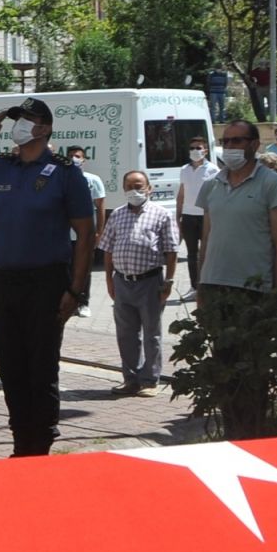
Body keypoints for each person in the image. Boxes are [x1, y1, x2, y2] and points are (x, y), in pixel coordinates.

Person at [0, 97, 94, 457]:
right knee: (11, 365)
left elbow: (86, 235)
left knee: (41, 366)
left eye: (26, 119)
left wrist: (76, 290)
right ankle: (20, 438)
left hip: (47, 282)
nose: (18, 125)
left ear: (44, 129)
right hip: (6, 282)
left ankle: (40, 441)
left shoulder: (65, 173)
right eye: (17, 119)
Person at [100, 170, 179, 397]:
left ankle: (150, 380)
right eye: (130, 186)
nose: (135, 190)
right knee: (126, 333)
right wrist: (108, 279)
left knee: (151, 333)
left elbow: (171, 251)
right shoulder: (116, 215)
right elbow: (108, 248)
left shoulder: (162, 214)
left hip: (150, 281)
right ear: (124, 189)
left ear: (149, 188)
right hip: (123, 281)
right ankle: (130, 379)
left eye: (139, 186)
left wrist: (169, 282)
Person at [197, 120, 277, 300]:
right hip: (214, 284)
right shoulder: (211, 185)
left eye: (236, 141)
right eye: (225, 141)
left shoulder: (273, 184)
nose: (229, 146)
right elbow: (207, 239)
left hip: (254, 287)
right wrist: (200, 286)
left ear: (255, 144)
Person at [65, 145, 106, 318]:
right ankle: (67, 302)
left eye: (78, 156)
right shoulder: (61, 178)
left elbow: (100, 207)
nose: (75, 158)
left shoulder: (93, 179)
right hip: (64, 235)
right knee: (66, 270)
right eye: (72, 156)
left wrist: (99, 233)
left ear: (84, 159)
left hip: (85, 235)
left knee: (84, 269)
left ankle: (83, 303)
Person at [176, 136, 218, 300]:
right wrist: (178, 215)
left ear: (205, 151)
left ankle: (208, 285)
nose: (195, 151)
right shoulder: (184, 169)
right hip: (188, 216)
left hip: (205, 216)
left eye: (198, 148)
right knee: (191, 254)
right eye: (192, 148)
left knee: (207, 252)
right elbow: (181, 193)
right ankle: (194, 287)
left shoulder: (213, 170)